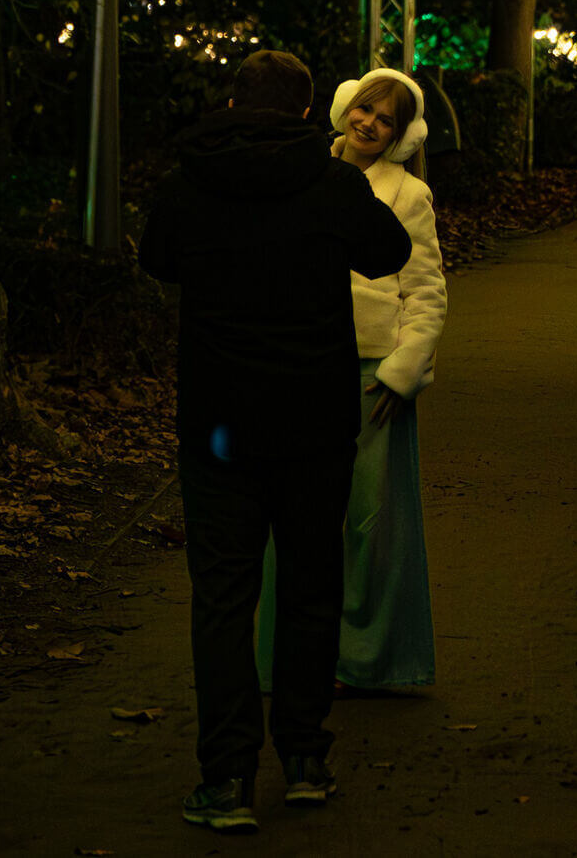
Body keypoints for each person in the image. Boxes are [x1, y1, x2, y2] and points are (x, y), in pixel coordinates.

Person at [138, 50, 411, 834]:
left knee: (223, 597)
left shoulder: (187, 183)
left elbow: (158, 261)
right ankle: (304, 759)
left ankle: (226, 777)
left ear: (231, 103)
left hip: (219, 423)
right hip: (313, 420)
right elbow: (388, 254)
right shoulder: (332, 184)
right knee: (309, 588)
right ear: (304, 112)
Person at [258, 67, 447, 692]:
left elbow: (426, 293)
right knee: (290, 517)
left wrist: (401, 373)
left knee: (367, 524)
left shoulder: (408, 195)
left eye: (386, 119)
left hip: (372, 376)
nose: (369, 123)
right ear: (345, 106)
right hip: (300, 364)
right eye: (365, 109)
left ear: (399, 135)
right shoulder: (303, 168)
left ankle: (363, 662)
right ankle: (288, 656)